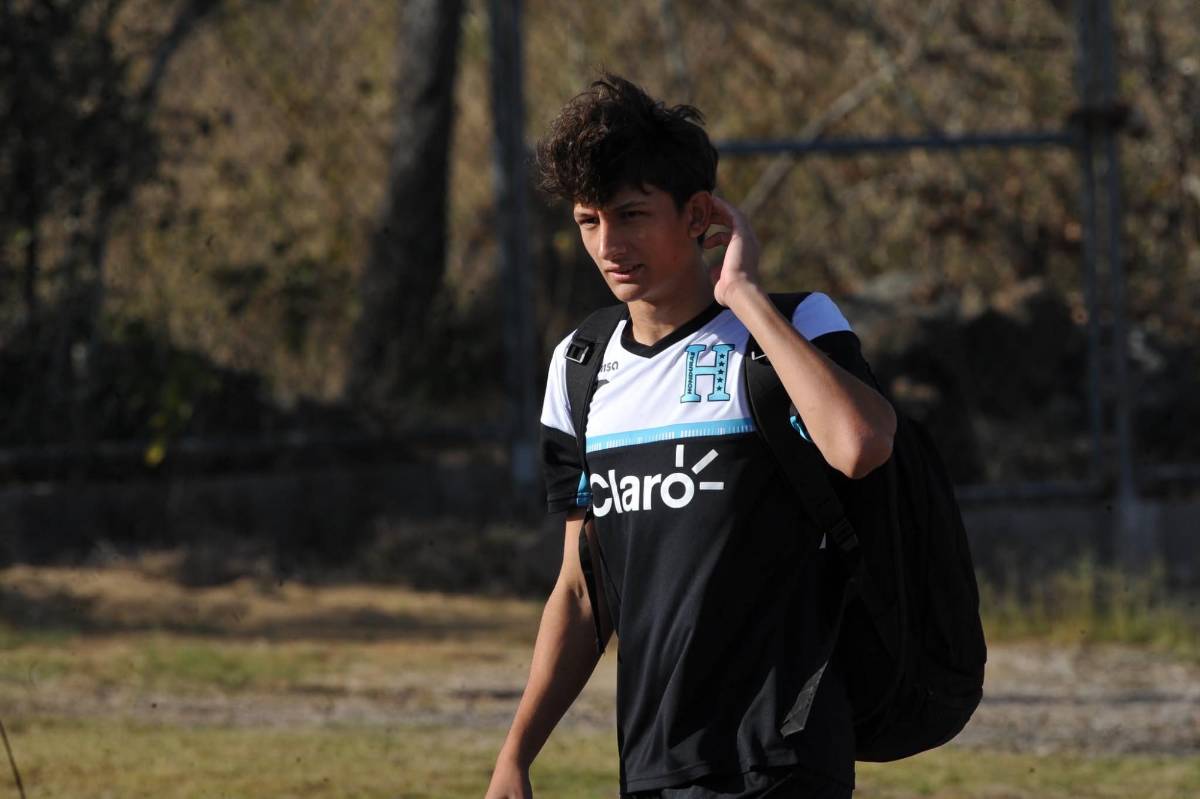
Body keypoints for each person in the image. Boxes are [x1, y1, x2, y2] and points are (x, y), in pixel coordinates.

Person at [485, 73, 896, 799]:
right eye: (588, 220)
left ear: (698, 213)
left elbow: (860, 445)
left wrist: (742, 295)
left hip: (781, 752)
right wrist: (516, 753)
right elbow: (582, 592)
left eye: (632, 213)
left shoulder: (794, 326)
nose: (609, 244)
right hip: (654, 762)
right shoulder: (580, 365)